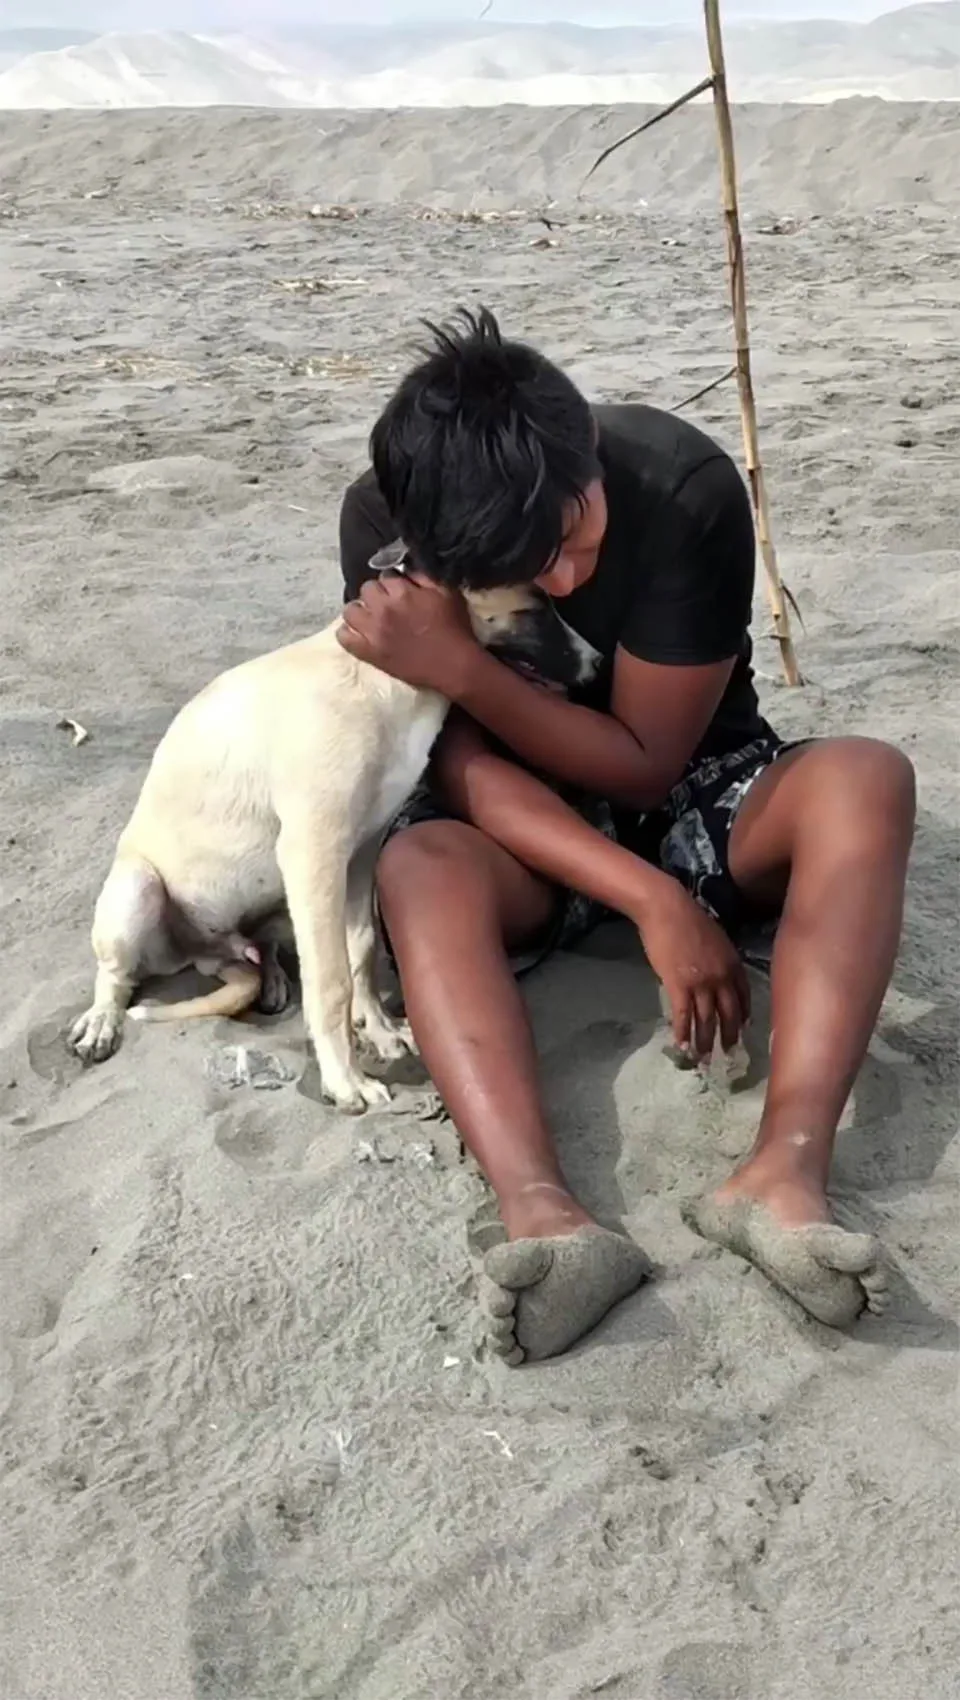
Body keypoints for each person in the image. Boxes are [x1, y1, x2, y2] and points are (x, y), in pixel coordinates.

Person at [336, 306, 914, 1363]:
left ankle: (783, 1171)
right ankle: (543, 1213)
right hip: (516, 829)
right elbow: (457, 765)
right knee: (418, 861)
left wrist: (461, 664)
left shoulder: (677, 486)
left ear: (587, 457)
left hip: (693, 783)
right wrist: (647, 901)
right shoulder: (387, 522)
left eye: (574, 542)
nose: (559, 579)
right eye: (520, 572)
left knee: (868, 779)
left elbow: (649, 755)